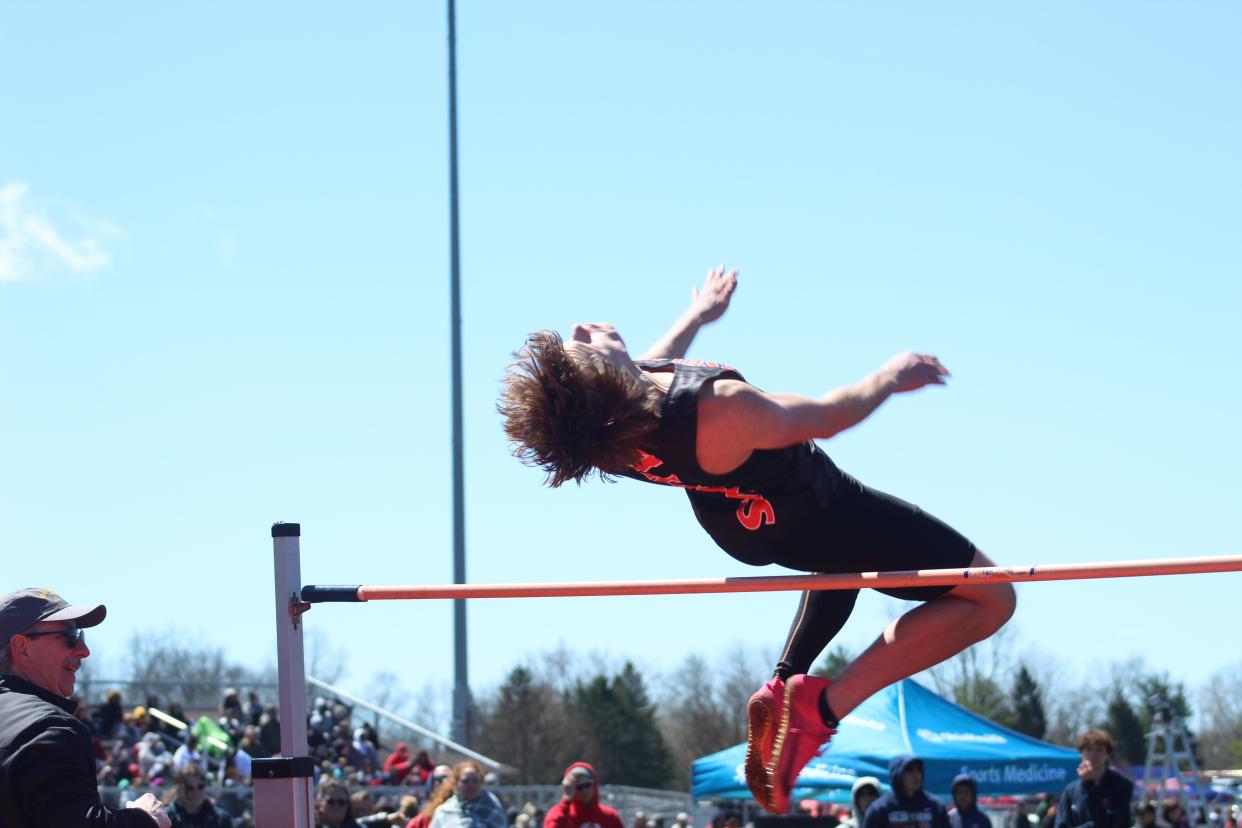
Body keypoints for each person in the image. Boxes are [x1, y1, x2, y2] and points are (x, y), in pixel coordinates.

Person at [499, 267, 1017, 813]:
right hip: (809, 506)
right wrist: (891, 375)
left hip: (740, 522)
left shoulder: (613, 432)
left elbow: (649, 368)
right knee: (992, 597)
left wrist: (697, 316)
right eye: (580, 345)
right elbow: (830, 416)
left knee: (842, 558)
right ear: (605, 381)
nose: (579, 328)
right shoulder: (721, 409)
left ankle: (785, 683)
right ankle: (824, 709)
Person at [0, 587, 171, 827]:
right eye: (69, 635)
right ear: (22, 648)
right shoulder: (51, 728)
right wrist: (145, 819)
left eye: (81, 635)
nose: (84, 650)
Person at [1054, 730, 1134, 828]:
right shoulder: (1070, 790)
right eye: (1089, 749)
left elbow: (1111, 823)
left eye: (1099, 750)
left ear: (1107, 755)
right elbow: (1061, 824)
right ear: (1081, 753)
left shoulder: (1121, 785)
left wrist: (1089, 784)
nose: (1093, 754)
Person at [862, 755, 950, 828]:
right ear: (897, 774)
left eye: (918, 769)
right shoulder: (880, 809)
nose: (916, 775)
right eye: (909, 770)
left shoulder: (935, 806)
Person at [426, 761, 506, 828]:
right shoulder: (444, 812)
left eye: (475, 781)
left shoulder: (493, 809)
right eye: (465, 781)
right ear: (456, 783)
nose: (471, 785)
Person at [543, 763, 623, 828]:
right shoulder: (563, 815)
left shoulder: (610, 817)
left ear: (594, 784)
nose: (584, 790)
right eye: (578, 787)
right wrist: (566, 800)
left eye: (587, 785)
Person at [164, 763, 232, 828]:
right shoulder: (165, 818)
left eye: (200, 786)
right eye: (189, 788)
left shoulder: (222, 819)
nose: (196, 792)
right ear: (179, 790)